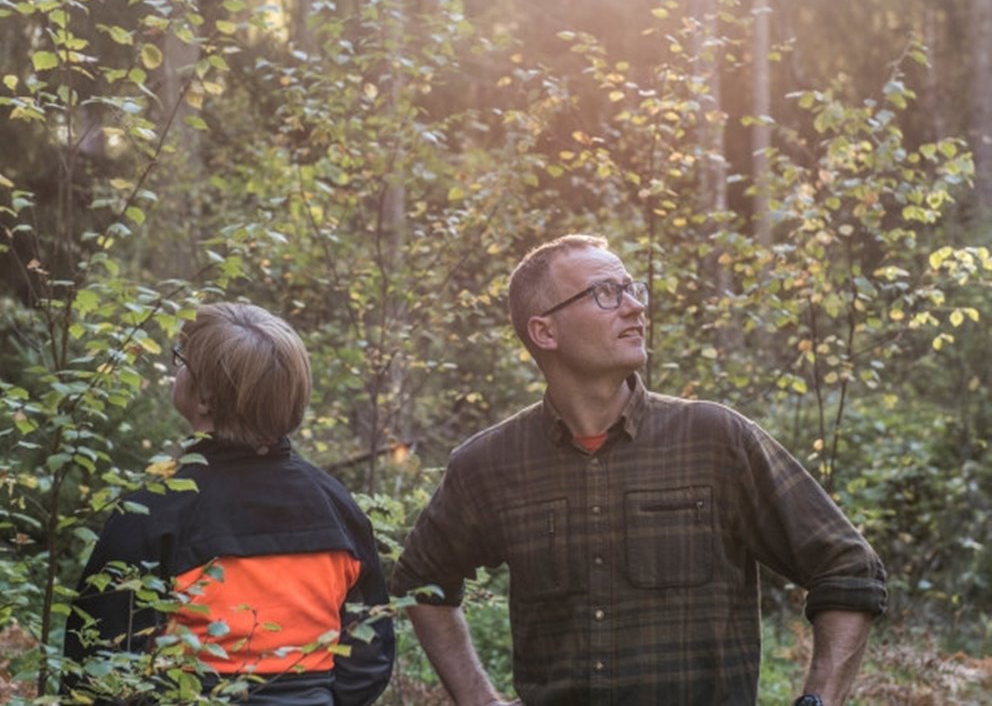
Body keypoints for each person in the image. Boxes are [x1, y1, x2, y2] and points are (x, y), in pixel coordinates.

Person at [392, 234, 886, 706]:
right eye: (605, 293)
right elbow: (420, 582)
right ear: (545, 331)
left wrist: (817, 700)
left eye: (632, 289)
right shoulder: (489, 464)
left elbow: (847, 567)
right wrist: (477, 697)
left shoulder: (716, 440)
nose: (634, 306)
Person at [63, 301, 394, 705]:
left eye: (183, 361)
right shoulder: (337, 506)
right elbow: (369, 656)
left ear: (205, 398)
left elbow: (96, 665)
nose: (178, 368)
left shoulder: (156, 508)